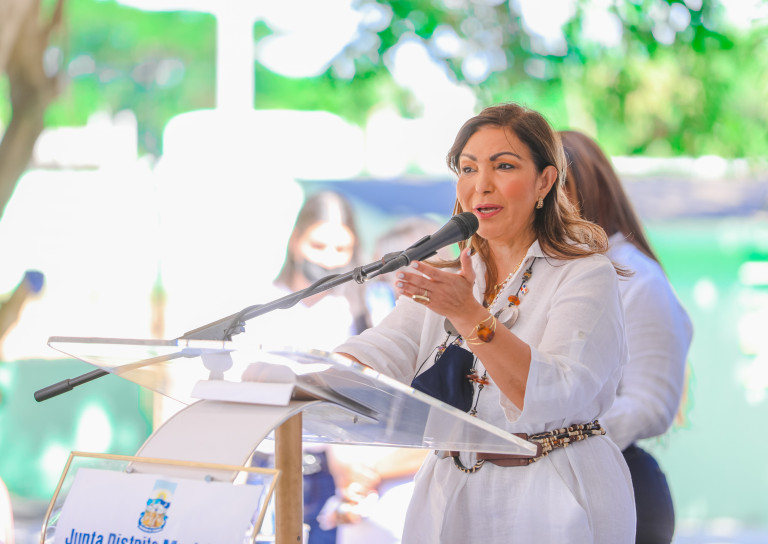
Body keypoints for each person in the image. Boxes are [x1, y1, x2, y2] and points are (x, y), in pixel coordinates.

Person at [334, 102, 635, 543]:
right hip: (451, 494)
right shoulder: (451, 276)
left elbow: (556, 393)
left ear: (544, 181)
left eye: (504, 166)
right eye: (468, 168)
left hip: (553, 493)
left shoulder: (584, 274)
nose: (481, 185)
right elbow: (386, 348)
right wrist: (314, 375)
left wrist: (468, 314)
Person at [560, 130, 693, 544]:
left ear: (584, 188)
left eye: (554, 185)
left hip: (617, 492)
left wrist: (548, 441)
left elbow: (651, 405)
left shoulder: (638, 278)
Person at [249, 190, 372, 544]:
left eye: (341, 249)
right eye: (318, 246)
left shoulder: (358, 312)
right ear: (296, 241)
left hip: (330, 473)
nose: (329, 259)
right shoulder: (260, 307)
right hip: (268, 466)